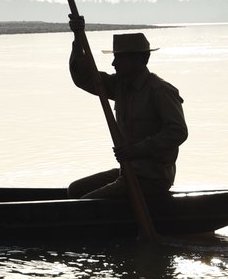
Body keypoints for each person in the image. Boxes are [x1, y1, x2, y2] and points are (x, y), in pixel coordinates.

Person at [66, 22, 187, 200]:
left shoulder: (160, 90)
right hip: (128, 171)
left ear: (138, 60)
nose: (113, 63)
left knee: (84, 205)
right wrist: (78, 37)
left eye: (119, 58)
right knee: (75, 190)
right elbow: (83, 78)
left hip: (151, 178)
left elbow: (177, 132)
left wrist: (137, 150)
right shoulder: (119, 87)